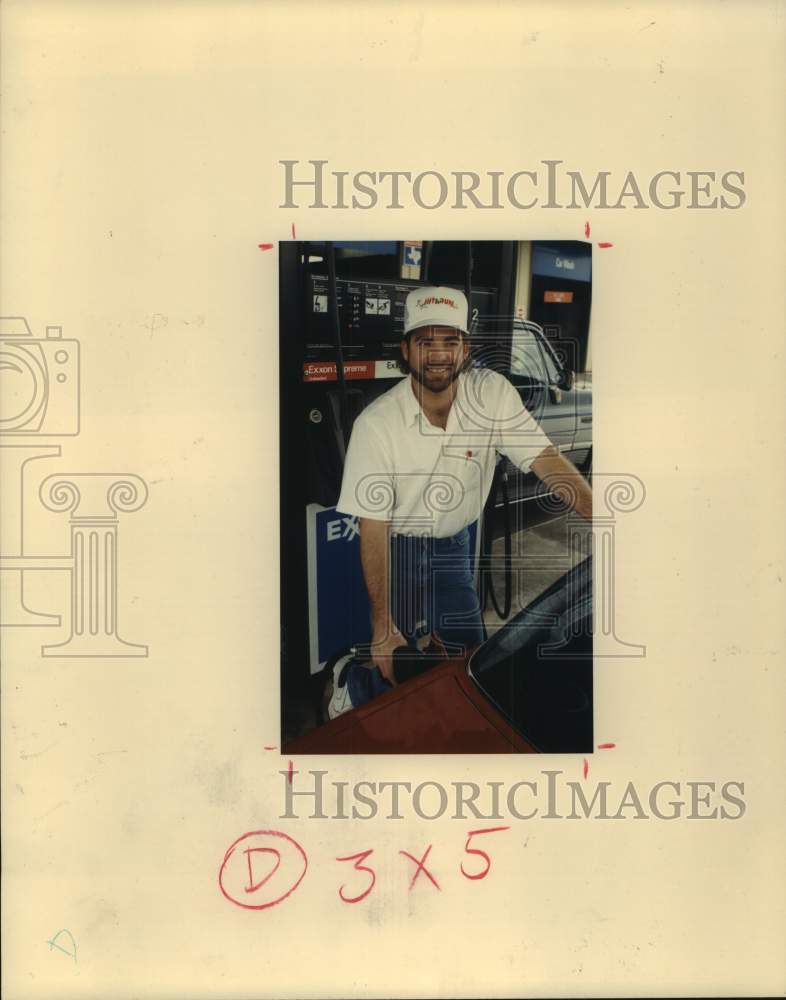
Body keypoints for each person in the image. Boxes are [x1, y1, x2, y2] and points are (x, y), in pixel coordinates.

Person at [336, 285, 592, 696]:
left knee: (470, 660)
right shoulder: (377, 424)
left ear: (465, 349)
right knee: (390, 667)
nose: (438, 354)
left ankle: (438, 656)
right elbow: (373, 527)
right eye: (425, 342)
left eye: (450, 341)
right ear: (406, 350)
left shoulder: (492, 395)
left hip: (453, 548)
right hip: (395, 548)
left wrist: (603, 517)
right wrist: (383, 627)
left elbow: (546, 460)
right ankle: (350, 684)